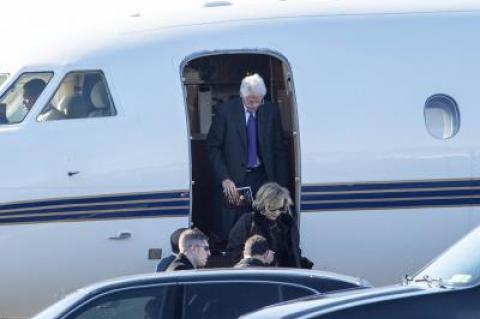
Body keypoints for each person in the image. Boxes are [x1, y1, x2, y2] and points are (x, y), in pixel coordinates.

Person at [207, 73, 288, 240]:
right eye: (251, 101)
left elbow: (279, 149)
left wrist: (281, 185)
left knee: (265, 223)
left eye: (258, 100)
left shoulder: (271, 111)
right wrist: (224, 178)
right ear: (242, 95)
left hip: (262, 175)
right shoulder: (226, 111)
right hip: (234, 177)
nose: (255, 105)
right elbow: (213, 147)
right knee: (234, 228)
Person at [227, 182, 312, 268]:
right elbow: (234, 252)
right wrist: (256, 260)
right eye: (272, 208)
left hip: (284, 275)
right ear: (262, 204)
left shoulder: (287, 223)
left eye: (281, 208)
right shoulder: (248, 221)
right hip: (256, 275)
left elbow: (295, 251)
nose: (277, 212)